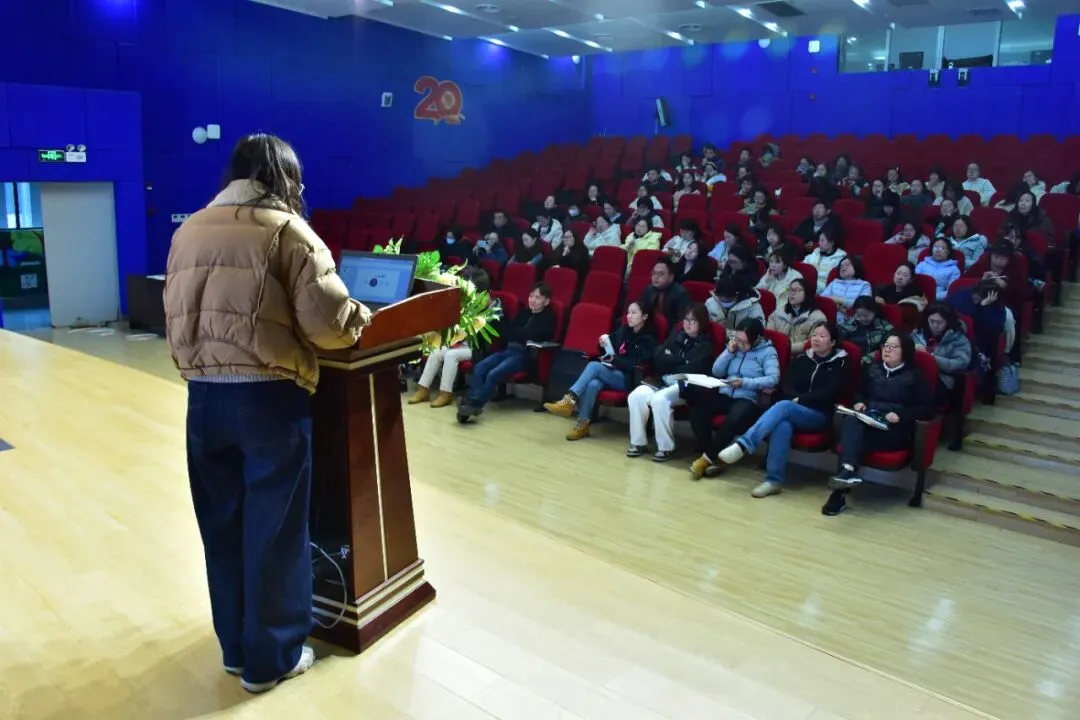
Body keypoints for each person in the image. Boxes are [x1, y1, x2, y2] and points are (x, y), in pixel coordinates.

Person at [165, 133, 371, 693]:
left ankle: (235, 649)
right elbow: (329, 324)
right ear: (283, 177)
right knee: (275, 533)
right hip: (268, 400)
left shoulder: (189, 230)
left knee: (222, 527)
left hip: (203, 398)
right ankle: (272, 659)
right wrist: (361, 316)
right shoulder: (287, 230)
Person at [716, 322, 849, 497]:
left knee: (784, 406)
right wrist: (795, 399)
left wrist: (800, 400)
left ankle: (744, 444)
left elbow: (830, 392)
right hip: (792, 409)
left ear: (832, 342)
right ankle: (773, 481)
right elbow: (787, 385)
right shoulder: (802, 359)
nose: (816, 339)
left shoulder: (840, 364)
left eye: (822, 336)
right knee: (782, 425)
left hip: (818, 415)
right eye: (814, 335)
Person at [825, 333, 933, 516]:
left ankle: (840, 490)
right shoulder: (871, 369)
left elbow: (927, 408)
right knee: (852, 421)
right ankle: (847, 475)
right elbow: (859, 392)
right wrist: (859, 402)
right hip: (869, 421)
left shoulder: (914, 376)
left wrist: (901, 415)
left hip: (894, 431)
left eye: (893, 347)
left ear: (905, 351)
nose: (887, 350)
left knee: (854, 438)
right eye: (885, 346)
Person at [543, 301, 657, 441]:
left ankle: (569, 399)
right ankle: (582, 424)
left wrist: (614, 360)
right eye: (628, 312)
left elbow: (634, 364)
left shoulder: (649, 339)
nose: (629, 316)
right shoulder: (625, 330)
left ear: (644, 316)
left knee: (594, 366)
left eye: (634, 313)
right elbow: (611, 343)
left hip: (629, 378)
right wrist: (602, 344)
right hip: (613, 372)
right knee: (593, 384)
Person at [686, 319, 780, 479]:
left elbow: (773, 378)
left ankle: (706, 458)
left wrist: (744, 382)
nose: (739, 344)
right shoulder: (734, 346)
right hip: (725, 392)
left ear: (756, 339)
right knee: (697, 411)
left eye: (744, 341)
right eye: (737, 338)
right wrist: (728, 352)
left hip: (747, 397)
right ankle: (714, 456)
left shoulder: (768, 352)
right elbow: (716, 371)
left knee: (732, 420)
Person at [626, 304, 715, 461]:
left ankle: (666, 447)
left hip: (685, 387)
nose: (687, 324)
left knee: (659, 399)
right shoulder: (676, 337)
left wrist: (672, 360)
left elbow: (691, 369)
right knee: (636, 396)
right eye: (686, 320)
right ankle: (638, 443)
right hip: (662, 380)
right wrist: (681, 360)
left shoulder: (705, 345)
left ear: (702, 322)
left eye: (693, 320)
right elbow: (659, 359)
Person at [458, 283, 556, 421]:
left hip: (525, 355)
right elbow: (508, 332)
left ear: (546, 301)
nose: (533, 300)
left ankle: (472, 405)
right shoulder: (524, 313)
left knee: (494, 373)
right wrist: (520, 334)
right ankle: (470, 403)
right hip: (508, 349)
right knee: (480, 366)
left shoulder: (548, 318)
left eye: (538, 298)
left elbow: (534, 335)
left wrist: (519, 333)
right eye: (531, 296)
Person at [912, 304, 972, 410]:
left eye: (940, 322)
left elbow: (961, 363)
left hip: (942, 378)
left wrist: (930, 358)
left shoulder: (958, 339)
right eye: (932, 321)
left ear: (948, 321)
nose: (935, 325)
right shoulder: (917, 334)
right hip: (914, 374)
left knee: (923, 402)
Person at [766, 277, 828, 354]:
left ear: (807, 293)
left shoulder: (818, 318)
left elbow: (812, 343)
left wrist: (785, 349)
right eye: (790, 289)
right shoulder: (778, 312)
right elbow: (769, 336)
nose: (792, 293)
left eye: (797, 290)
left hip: (802, 356)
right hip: (775, 353)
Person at [839, 296, 894, 365]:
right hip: (848, 360)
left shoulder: (886, 328)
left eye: (866, 315)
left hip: (873, 363)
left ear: (874, 312)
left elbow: (885, 349)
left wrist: (864, 360)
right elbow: (838, 344)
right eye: (859, 315)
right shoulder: (846, 325)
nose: (862, 318)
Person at [640, 257, 690, 330]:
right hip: (650, 330)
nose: (656, 277)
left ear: (671, 277)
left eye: (661, 274)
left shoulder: (681, 294)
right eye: (654, 273)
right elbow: (641, 312)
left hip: (671, 332)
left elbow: (681, 324)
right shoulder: (648, 290)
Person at [820, 256, 872, 320]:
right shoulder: (834, 282)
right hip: (829, 318)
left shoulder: (864, 285)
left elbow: (863, 305)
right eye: (841, 266)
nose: (843, 268)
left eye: (847, 265)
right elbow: (822, 299)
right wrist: (838, 307)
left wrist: (837, 300)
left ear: (856, 266)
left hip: (853, 322)